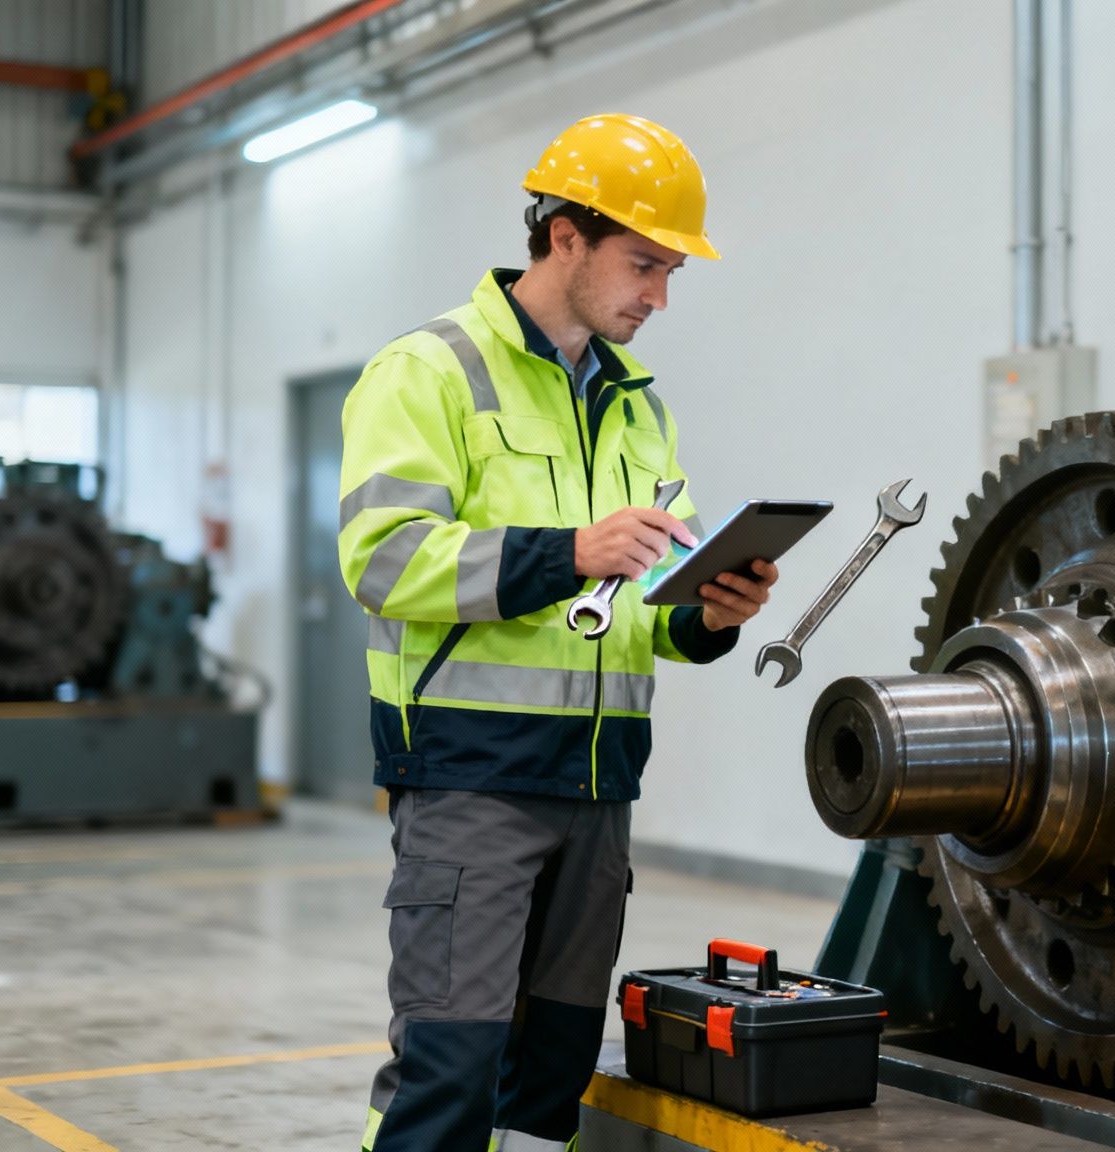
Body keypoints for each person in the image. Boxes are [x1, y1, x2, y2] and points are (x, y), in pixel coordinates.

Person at [336, 112, 776, 1151]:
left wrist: (705, 614)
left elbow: (637, 612)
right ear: (563, 237)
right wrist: (567, 550)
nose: (658, 296)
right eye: (642, 265)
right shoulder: (430, 371)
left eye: (670, 272)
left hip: (597, 792)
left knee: (549, 1080)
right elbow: (381, 561)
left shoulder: (637, 408)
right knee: (451, 1068)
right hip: (471, 784)